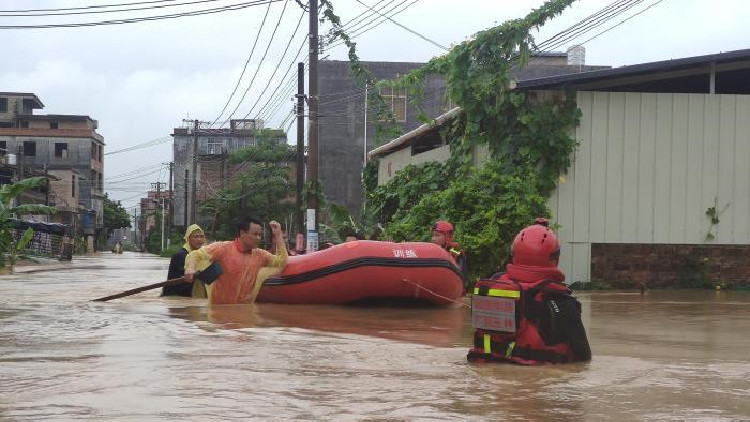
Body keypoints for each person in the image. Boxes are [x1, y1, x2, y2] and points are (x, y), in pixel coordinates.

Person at [466, 218, 591, 365]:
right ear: (555, 257)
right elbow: (584, 357)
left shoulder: (495, 285)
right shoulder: (563, 303)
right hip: (535, 381)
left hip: (487, 370)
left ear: (514, 253)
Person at [184, 217, 288, 305]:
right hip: (219, 315)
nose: (258, 238)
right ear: (242, 233)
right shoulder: (222, 248)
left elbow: (281, 261)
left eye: (260, 235)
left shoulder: (260, 255)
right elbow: (195, 255)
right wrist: (190, 268)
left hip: (245, 315)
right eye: (255, 234)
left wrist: (278, 236)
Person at [162, 224, 206, 297]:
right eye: (195, 237)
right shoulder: (180, 256)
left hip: (189, 296)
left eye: (201, 237)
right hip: (175, 297)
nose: (199, 239)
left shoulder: (202, 255)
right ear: (188, 239)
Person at [431, 220, 469, 290]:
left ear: (448, 236)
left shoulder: (456, 251)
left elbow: (462, 273)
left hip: (451, 288)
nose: (433, 239)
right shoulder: (432, 250)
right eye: (433, 235)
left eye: (437, 235)